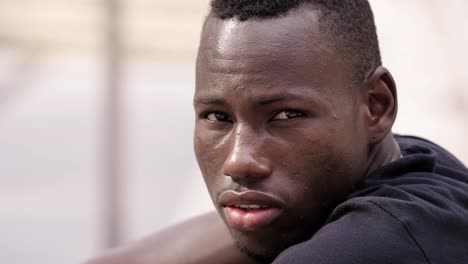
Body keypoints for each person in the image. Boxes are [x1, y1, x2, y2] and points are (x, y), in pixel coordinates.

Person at [85, 0, 468, 263]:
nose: (239, 161)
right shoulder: (409, 161)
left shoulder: (375, 241)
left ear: (376, 106)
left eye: (285, 115)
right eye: (218, 117)